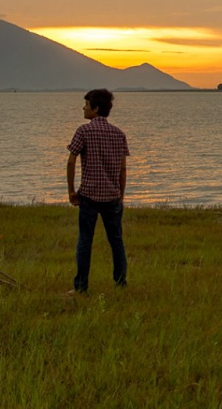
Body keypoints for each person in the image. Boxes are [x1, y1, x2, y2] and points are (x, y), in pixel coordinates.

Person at [66, 88, 129, 292]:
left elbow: (71, 161)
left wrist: (71, 191)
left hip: (89, 196)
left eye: (86, 104)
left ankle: (81, 287)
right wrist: (121, 195)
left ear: (95, 108)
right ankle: (121, 282)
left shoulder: (83, 131)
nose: (83, 108)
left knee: (85, 241)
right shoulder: (119, 134)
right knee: (116, 241)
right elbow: (122, 169)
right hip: (112, 196)